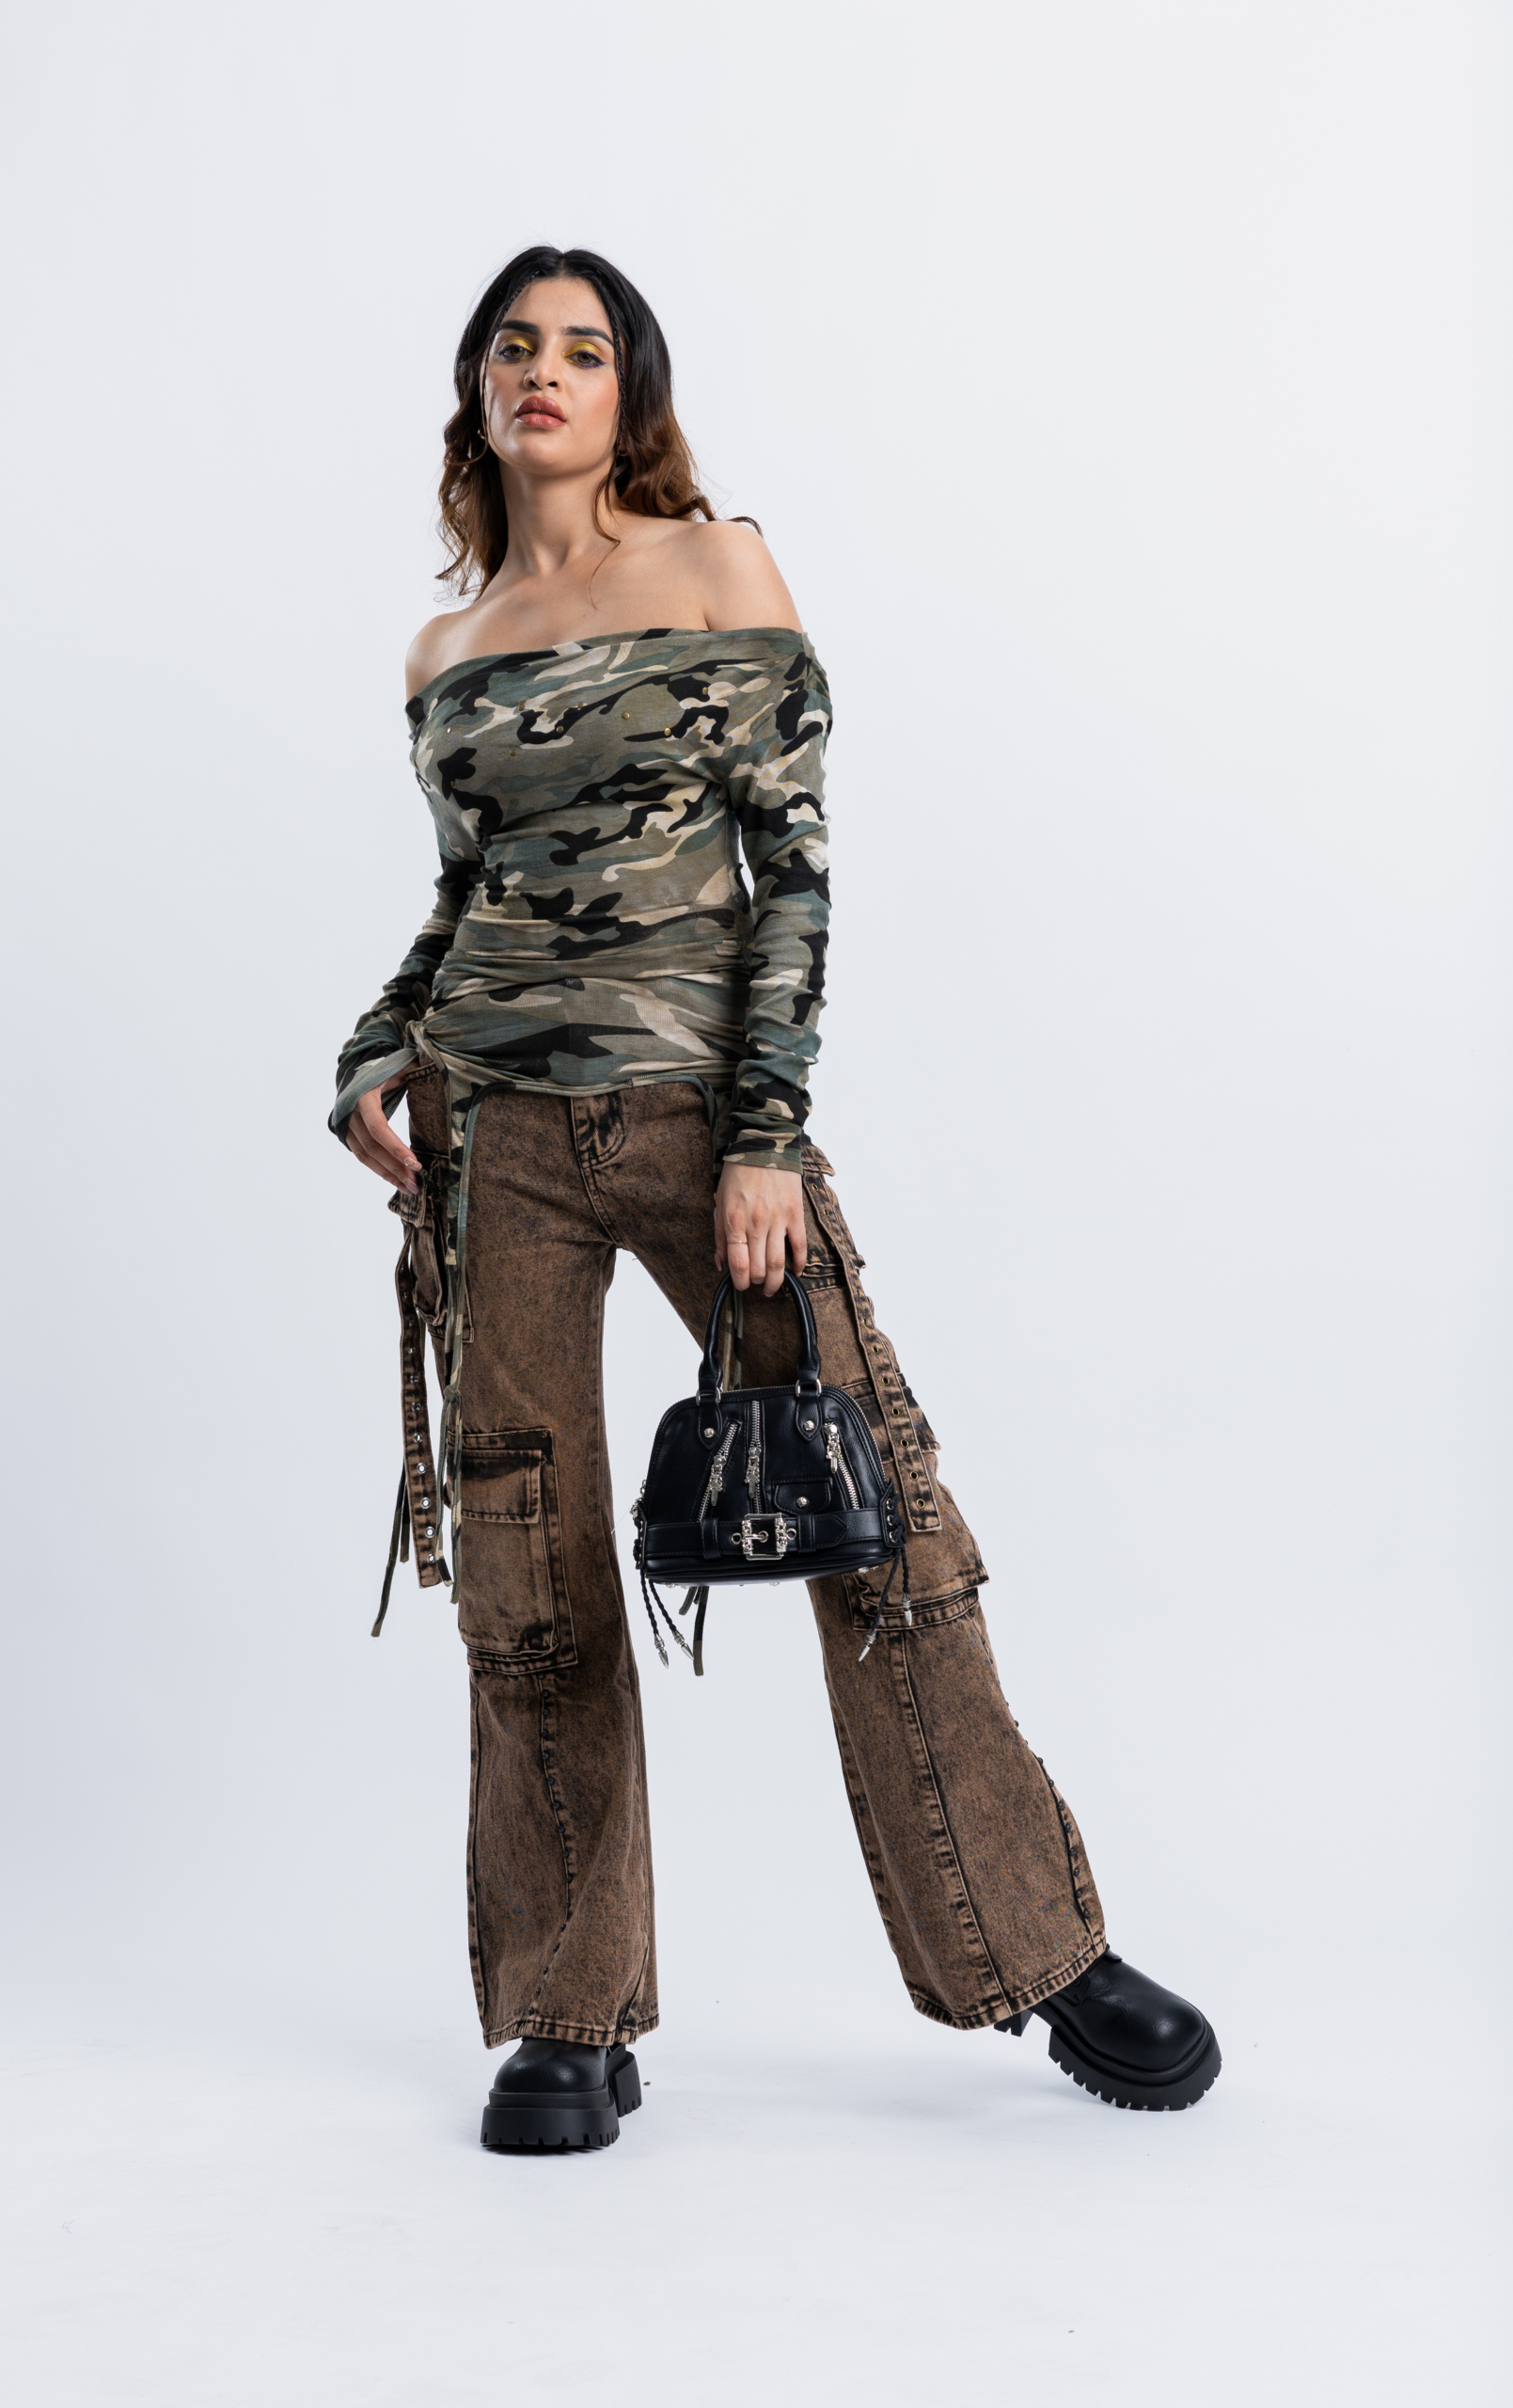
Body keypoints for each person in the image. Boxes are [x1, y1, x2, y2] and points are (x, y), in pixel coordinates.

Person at [332, 246, 1219, 2151]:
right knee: (530, 1568)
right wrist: (373, 1047)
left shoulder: (719, 569)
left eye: (582, 349)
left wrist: (763, 1137)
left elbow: (792, 870)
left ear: (629, 392)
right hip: (495, 1137)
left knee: (877, 1516)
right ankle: (567, 2011)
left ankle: (1036, 1945)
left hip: (695, 1117)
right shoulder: (445, 648)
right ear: (476, 388)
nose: (543, 372)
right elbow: (468, 899)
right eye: (513, 346)